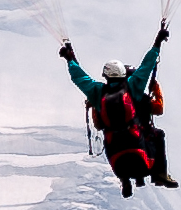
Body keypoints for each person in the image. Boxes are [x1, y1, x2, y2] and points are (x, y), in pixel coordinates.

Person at [61, 26, 174, 194]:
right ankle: (160, 175)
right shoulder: (133, 87)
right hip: (139, 152)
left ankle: (124, 180)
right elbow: (146, 66)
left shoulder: (97, 92)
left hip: (117, 159)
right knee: (158, 135)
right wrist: (158, 42)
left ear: (105, 75)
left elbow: (80, 78)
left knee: (111, 137)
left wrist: (70, 60)